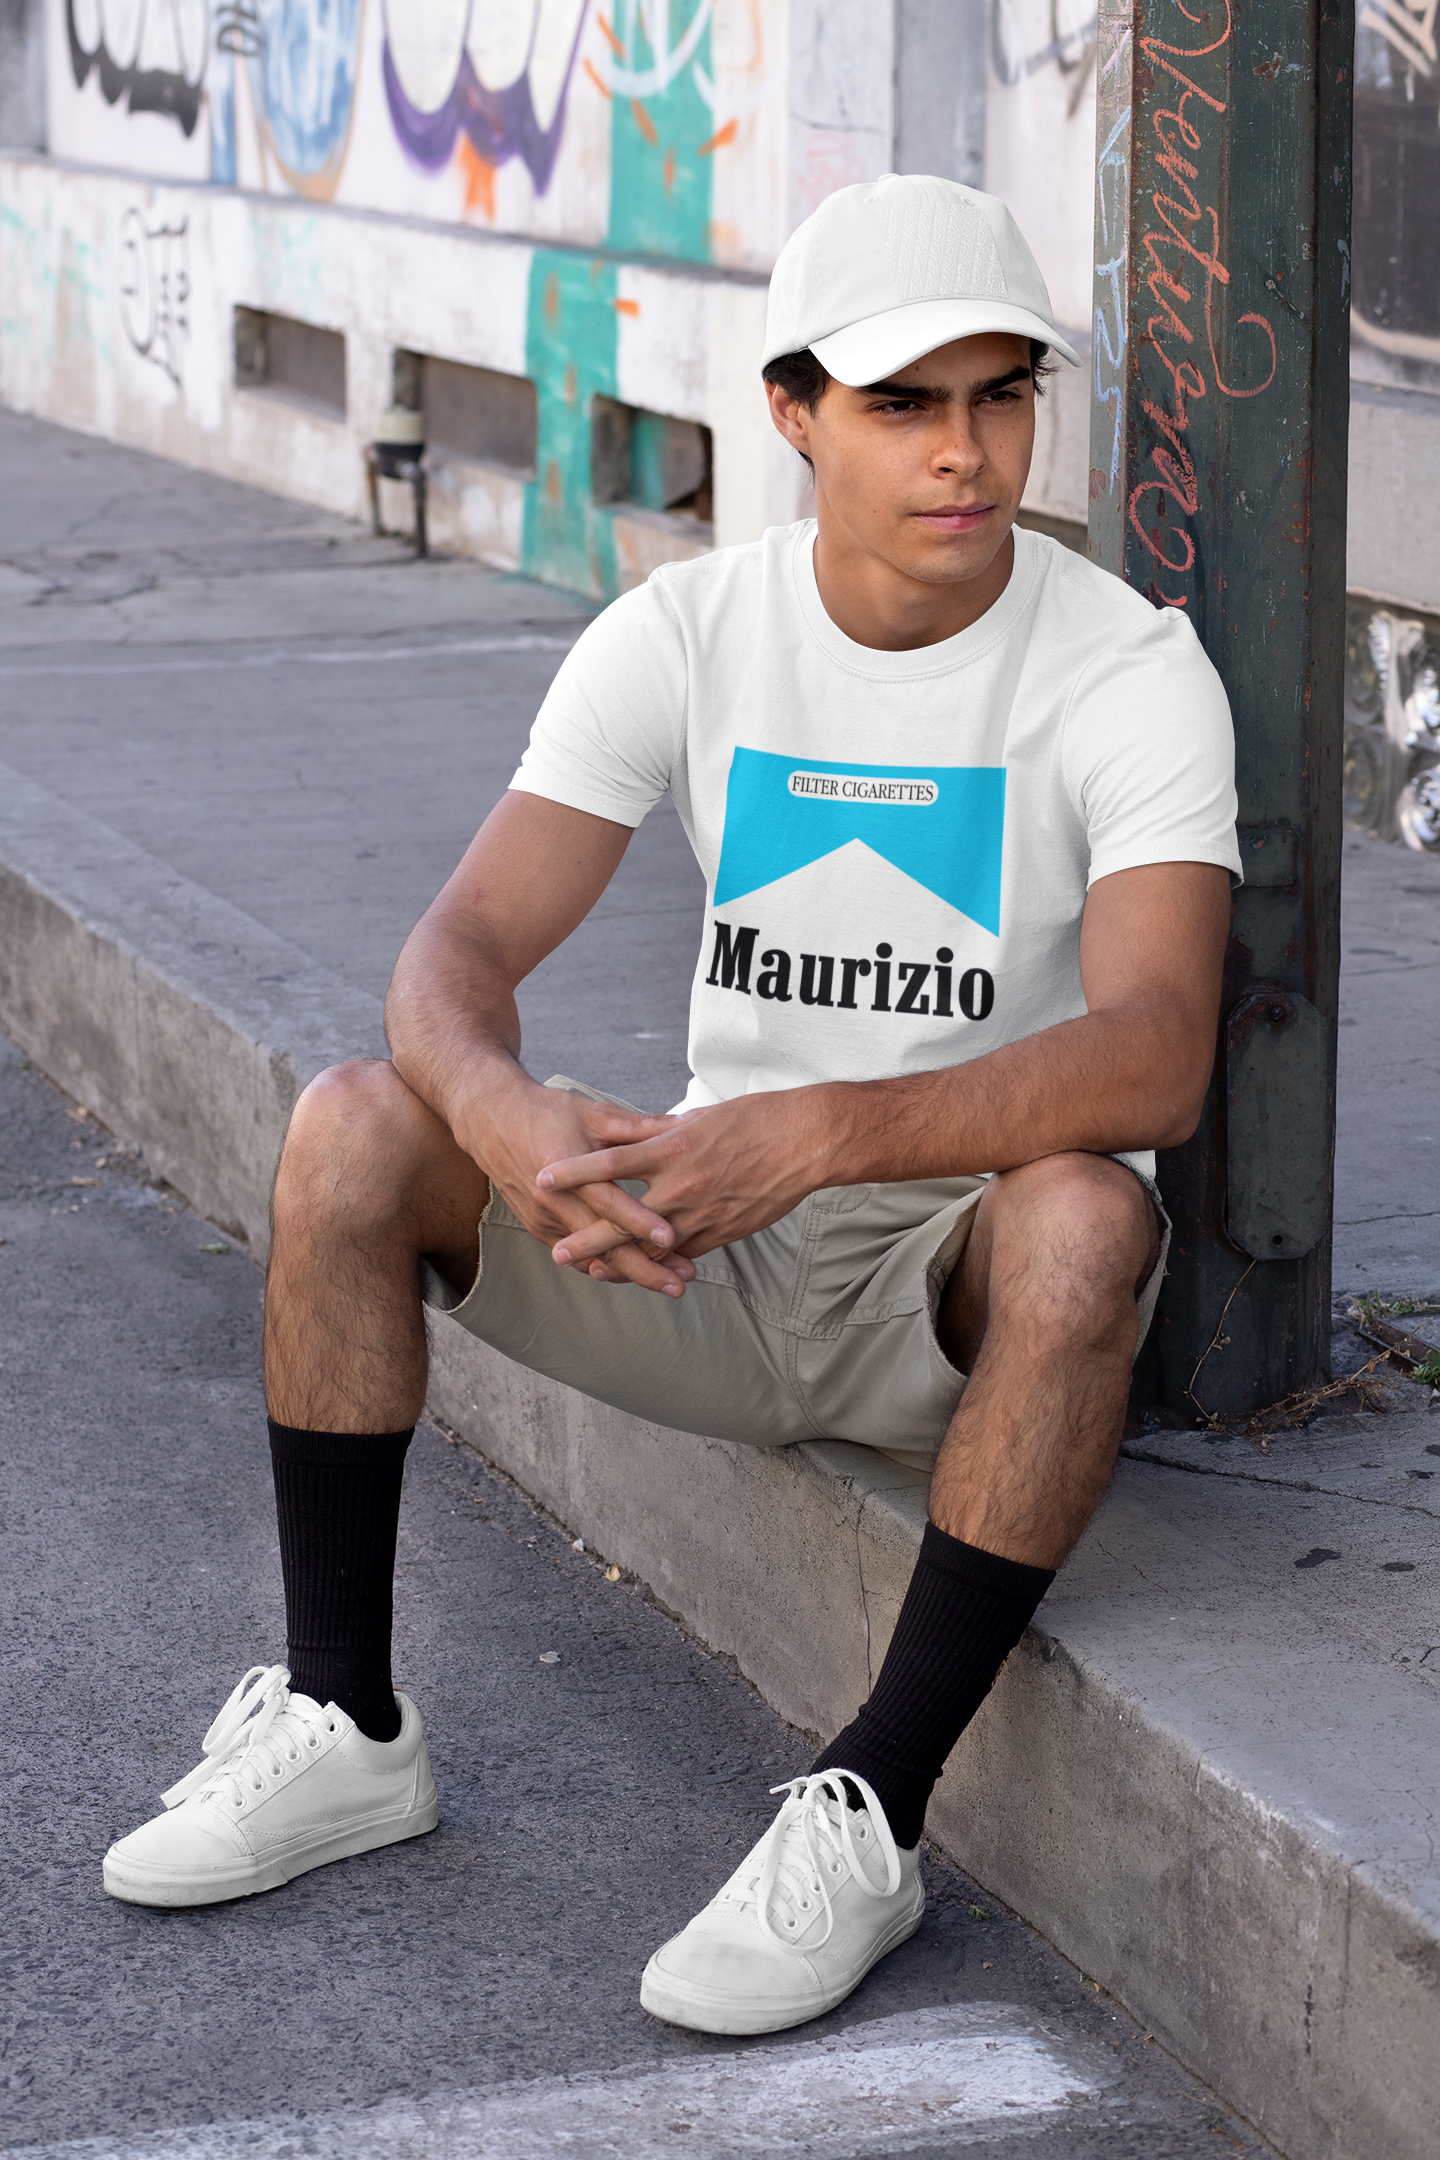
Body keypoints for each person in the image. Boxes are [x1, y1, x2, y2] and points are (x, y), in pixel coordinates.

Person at [103, 174, 1239, 2037]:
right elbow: (456, 951)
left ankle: (870, 1808)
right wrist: (501, 1113)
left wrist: (826, 1131)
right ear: (792, 412)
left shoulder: (1126, 669)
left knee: (1087, 1215)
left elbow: (1155, 1054)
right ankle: (344, 1719)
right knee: (357, 1121)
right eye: (901, 403)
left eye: (1001, 397)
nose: (965, 454)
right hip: (695, 1250)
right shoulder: (691, 630)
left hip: (948, 1278)